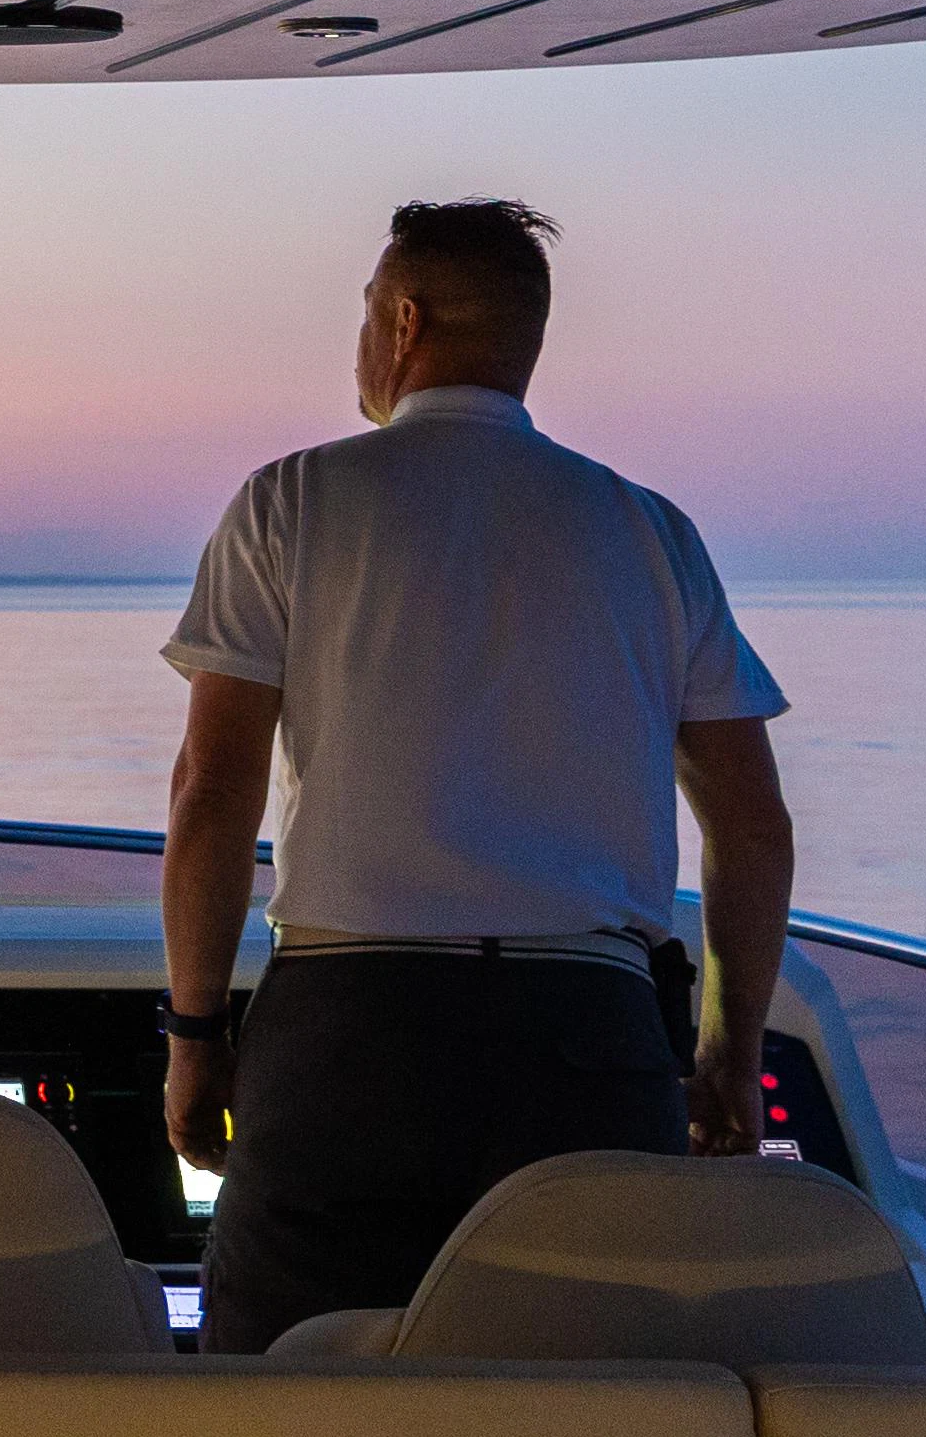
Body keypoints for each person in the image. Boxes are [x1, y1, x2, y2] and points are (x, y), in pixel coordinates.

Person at [153, 197, 798, 1351]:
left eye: (364, 312)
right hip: (589, 1038)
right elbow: (751, 827)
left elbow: (212, 795)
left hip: (353, 1035)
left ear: (404, 322)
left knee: (277, 1397)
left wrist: (195, 1032)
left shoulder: (293, 503)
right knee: (574, 1402)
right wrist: (726, 1054)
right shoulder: (650, 532)